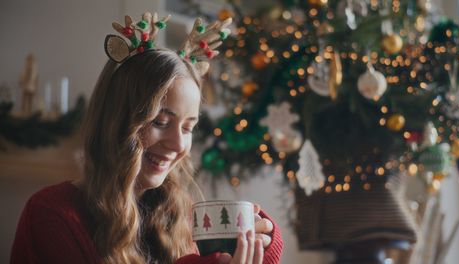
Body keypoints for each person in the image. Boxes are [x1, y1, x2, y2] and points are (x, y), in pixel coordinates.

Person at [10, 12, 283, 264]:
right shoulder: (53, 214)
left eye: (188, 128)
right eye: (160, 122)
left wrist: (263, 242)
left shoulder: (185, 217)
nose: (178, 145)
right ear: (116, 121)